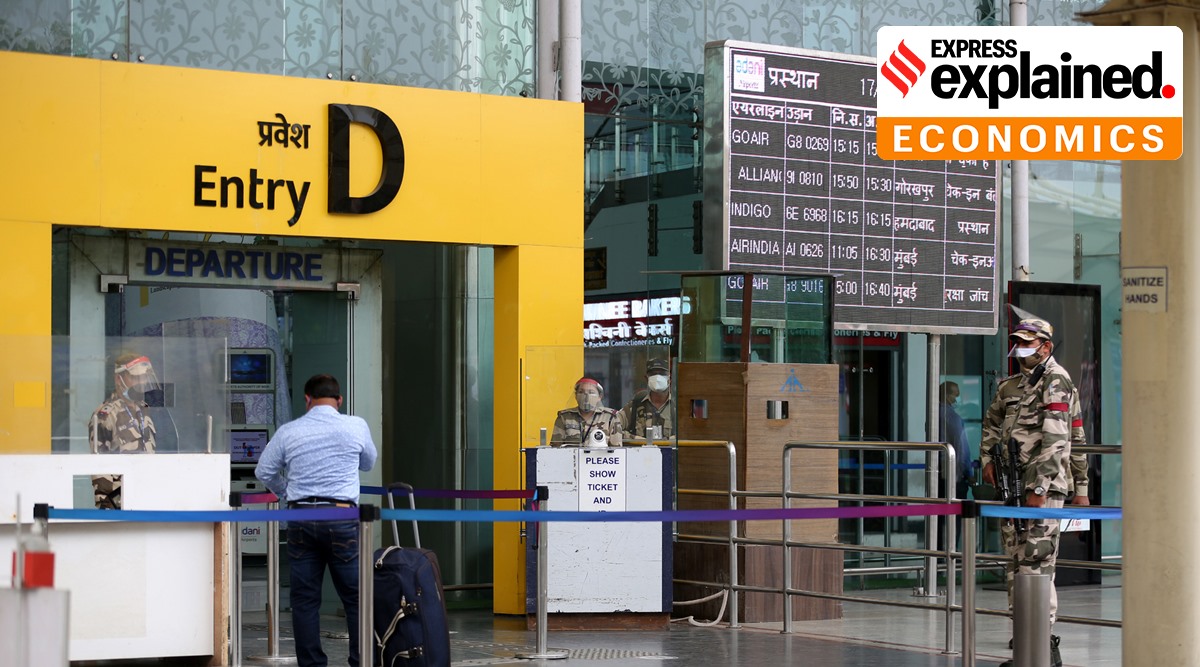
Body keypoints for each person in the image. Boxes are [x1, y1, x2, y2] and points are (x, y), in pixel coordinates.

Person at [980, 317, 1083, 667]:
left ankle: (1042, 646)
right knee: (1015, 564)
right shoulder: (1011, 386)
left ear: (1045, 346)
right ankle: (1026, 644)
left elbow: (1058, 440)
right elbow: (991, 423)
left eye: (1029, 341)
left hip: (1041, 488)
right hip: (1011, 488)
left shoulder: (1057, 381)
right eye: (1019, 341)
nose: (1022, 347)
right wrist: (987, 460)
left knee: (1036, 563)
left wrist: (1039, 486)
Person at [255, 374, 377, 667]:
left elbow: (263, 471)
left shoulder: (290, 431)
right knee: (356, 598)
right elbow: (368, 462)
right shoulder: (355, 425)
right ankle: (362, 661)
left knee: (305, 601)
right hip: (342, 517)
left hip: (301, 517)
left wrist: (288, 493)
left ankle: (312, 664)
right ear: (339, 400)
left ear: (307, 399)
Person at [87, 353, 161, 509]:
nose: (141, 382)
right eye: (135, 377)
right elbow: (100, 468)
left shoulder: (144, 409)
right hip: (121, 505)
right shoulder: (105, 415)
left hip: (149, 498)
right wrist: (109, 509)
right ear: (118, 379)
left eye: (143, 377)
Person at [550, 377, 623, 447]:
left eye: (591, 392)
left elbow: (617, 451)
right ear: (575, 395)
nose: (586, 397)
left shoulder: (610, 418)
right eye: (581, 392)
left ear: (599, 397)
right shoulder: (564, 417)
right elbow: (555, 449)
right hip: (571, 459)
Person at [931, 381, 971, 500]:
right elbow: (962, 449)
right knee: (956, 513)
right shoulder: (953, 417)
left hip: (937, 473)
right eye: (955, 395)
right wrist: (968, 472)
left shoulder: (933, 415)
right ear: (947, 396)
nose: (957, 399)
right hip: (953, 475)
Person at [620, 358, 674, 441]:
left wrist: (668, 440)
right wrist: (635, 439)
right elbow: (614, 427)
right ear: (646, 378)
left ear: (669, 379)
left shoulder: (678, 407)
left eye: (662, 373)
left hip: (671, 453)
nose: (657, 377)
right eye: (653, 374)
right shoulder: (635, 405)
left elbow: (690, 433)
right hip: (640, 452)